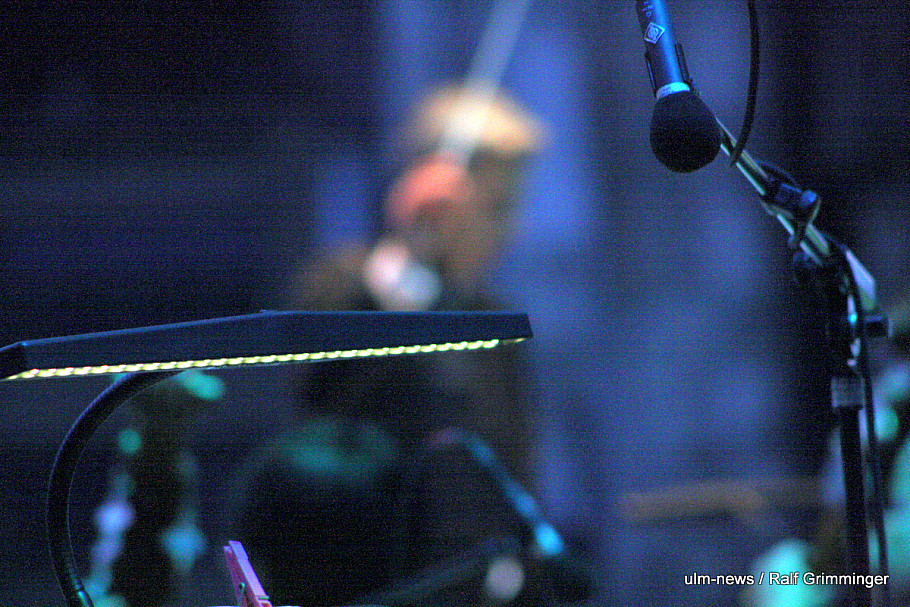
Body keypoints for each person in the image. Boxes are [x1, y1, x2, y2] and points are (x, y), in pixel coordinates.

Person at [233, 84, 557, 607]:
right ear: (435, 197)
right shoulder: (339, 287)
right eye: (497, 208)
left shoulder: (493, 315)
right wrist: (416, 250)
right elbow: (326, 410)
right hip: (363, 579)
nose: (510, 231)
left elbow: (514, 467)